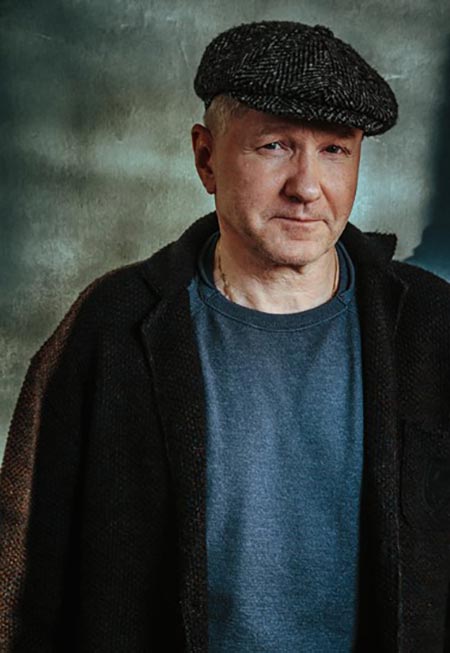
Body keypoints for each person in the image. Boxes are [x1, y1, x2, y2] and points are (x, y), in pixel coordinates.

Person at [0, 19, 449, 653]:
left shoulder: (433, 325)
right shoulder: (112, 324)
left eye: (335, 150)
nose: (307, 187)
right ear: (206, 157)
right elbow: (22, 569)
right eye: (274, 146)